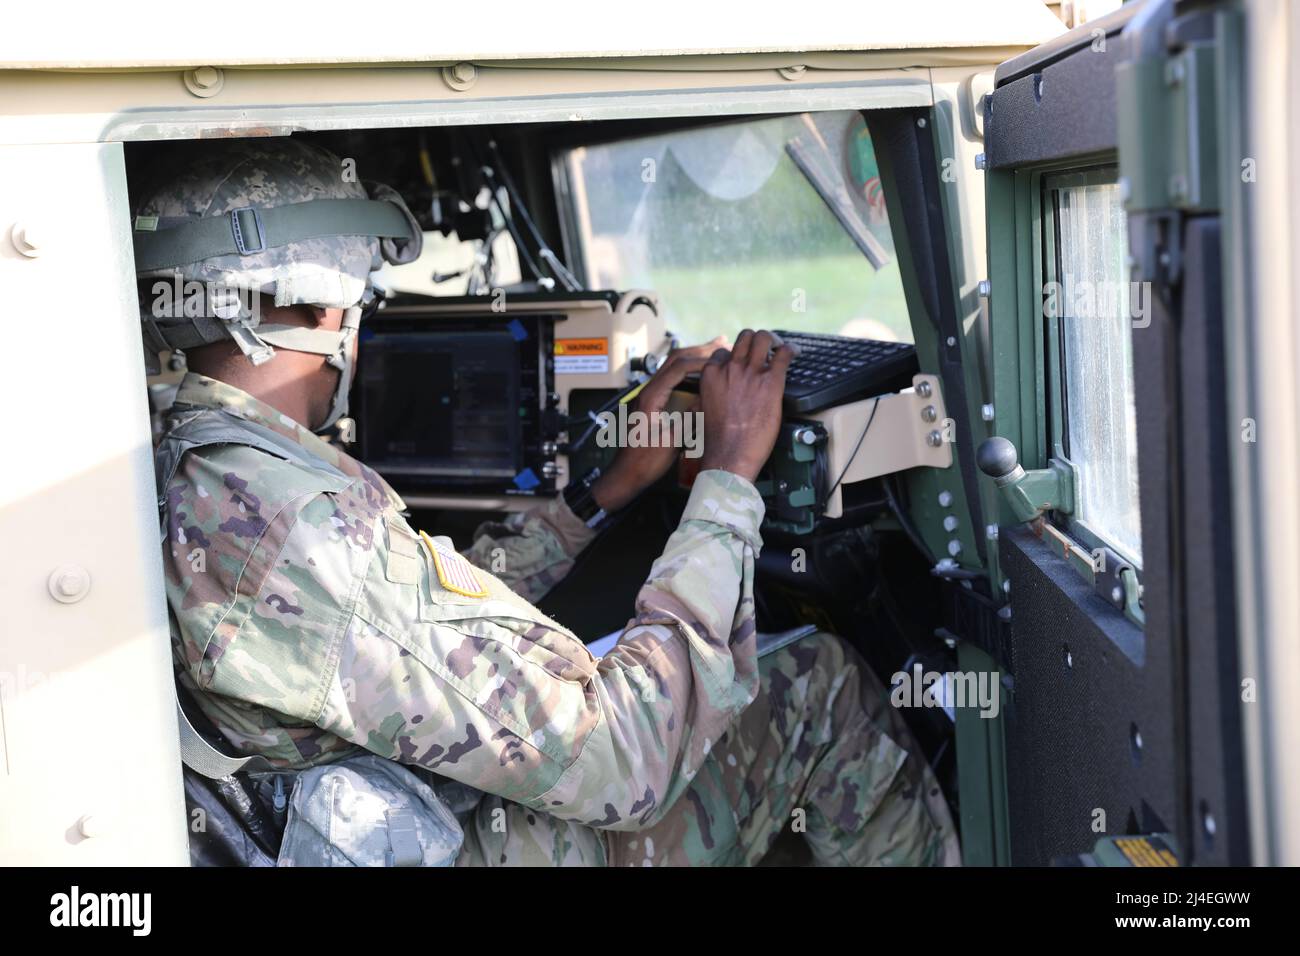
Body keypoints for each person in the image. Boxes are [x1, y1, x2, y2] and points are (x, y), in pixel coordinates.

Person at [140, 137, 959, 866]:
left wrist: (605, 491)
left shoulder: (207, 467)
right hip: (464, 835)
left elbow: (430, 616)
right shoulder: (294, 523)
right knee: (815, 682)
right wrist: (731, 481)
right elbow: (625, 758)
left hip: (386, 809)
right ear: (324, 303)